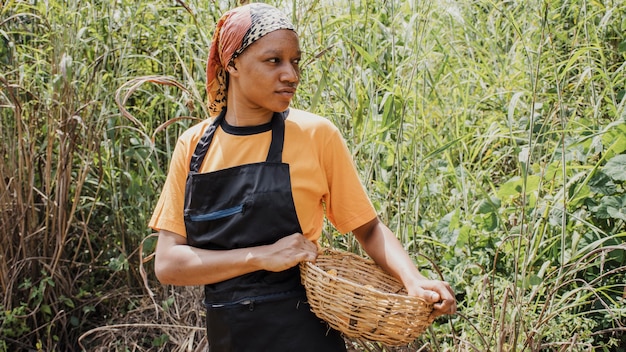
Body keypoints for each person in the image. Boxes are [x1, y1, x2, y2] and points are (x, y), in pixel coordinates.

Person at [149, 3, 456, 351]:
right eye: (273, 60)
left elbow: (368, 228)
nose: (291, 74)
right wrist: (259, 255)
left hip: (304, 333)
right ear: (232, 63)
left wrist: (413, 280)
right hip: (229, 338)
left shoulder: (315, 134)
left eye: (295, 61)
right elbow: (169, 264)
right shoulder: (194, 146)